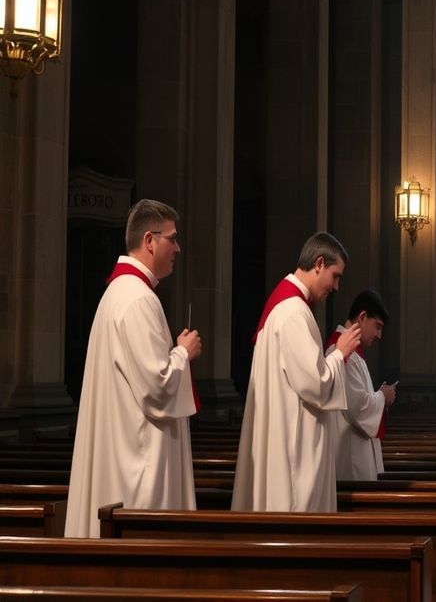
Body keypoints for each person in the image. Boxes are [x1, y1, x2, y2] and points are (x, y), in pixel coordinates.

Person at [65, 199, 203, 538]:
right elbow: (157, 386)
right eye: (173, 238)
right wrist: (183, 353)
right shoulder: (139, 298)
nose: (178, 248)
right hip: (139, 463)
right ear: (150, 241)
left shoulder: (117, 292)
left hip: (122, 446)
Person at [232, 232, 361, 512]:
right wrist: (340, 353)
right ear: (318, 263)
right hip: (294, 449)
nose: (337, 286)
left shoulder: (285, 306)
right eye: (335, 275)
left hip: (283, 437)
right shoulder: (294, 313)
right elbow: (315, 384)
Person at [325, 290, 397, 481]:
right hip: (350, 456)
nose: (379, 335)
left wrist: (379, 395)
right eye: (377, 327)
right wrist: (383, 396)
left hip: (354, 448)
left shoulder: (353, 352)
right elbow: (358, 407)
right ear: (362, 317)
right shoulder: (341, 352)